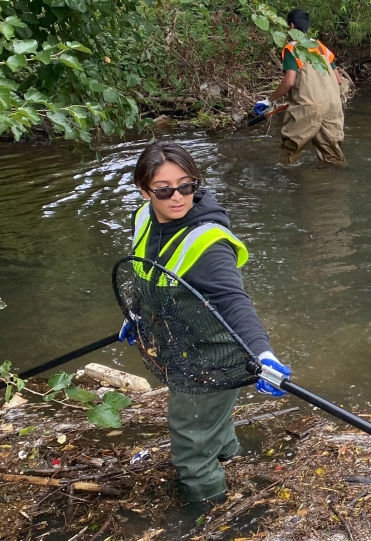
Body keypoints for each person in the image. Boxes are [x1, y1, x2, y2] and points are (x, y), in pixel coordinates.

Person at [121, 141, 290, 505]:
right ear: (143, 190)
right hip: (180, 343)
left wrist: (264, 354)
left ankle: (207, 516)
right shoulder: (142, 218)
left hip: (208, 360)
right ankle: (232, 457)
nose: (178, 197)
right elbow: (145, 272)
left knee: (191, 449)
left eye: (187, 186)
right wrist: (136, 314)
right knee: (212, 426)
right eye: (164, 190)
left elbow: (233, 300)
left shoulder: (208, 242)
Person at [255, 8, 345, 166]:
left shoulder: (292, 48)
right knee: (332, 155)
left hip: (308, 106)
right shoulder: (321, 47)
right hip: (333, 105)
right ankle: (336, 184)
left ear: (291, 26)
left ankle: (288, 186)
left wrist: (268, 101)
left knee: (289, 152)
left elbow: (289, 81)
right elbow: (338, 80)